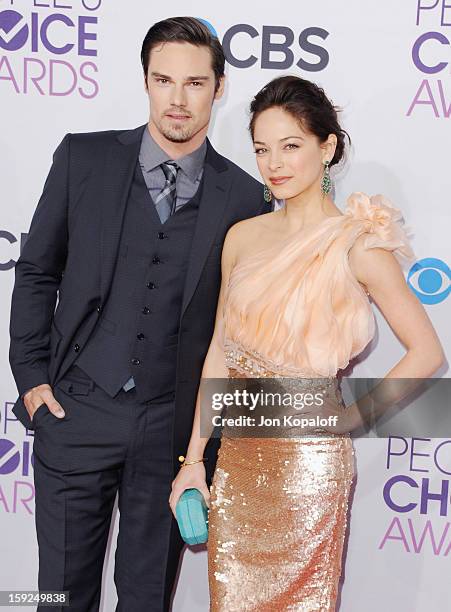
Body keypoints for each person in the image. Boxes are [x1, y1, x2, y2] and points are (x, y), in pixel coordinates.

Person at [8, 17, 271, 612]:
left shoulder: (244, 196)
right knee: (58, 594)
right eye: (164, 80)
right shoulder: (84, 157)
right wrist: (31, 380)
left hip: (170, 430)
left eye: (195, 83)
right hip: (74, 409)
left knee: (148, 597)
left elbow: (236, 329)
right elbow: (37, 271)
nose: (178, 99)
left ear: (219, 88)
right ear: (146, 82)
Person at [169, 75, 445, 610]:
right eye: (262, 149)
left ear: (328, 147)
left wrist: (352, 419)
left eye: (290, 146)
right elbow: (221, 351)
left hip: (308, 466)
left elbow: (428, 352)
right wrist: (194, 458)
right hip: (239, 458)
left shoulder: (357, 243)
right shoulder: (242, 236)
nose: (274, 163)